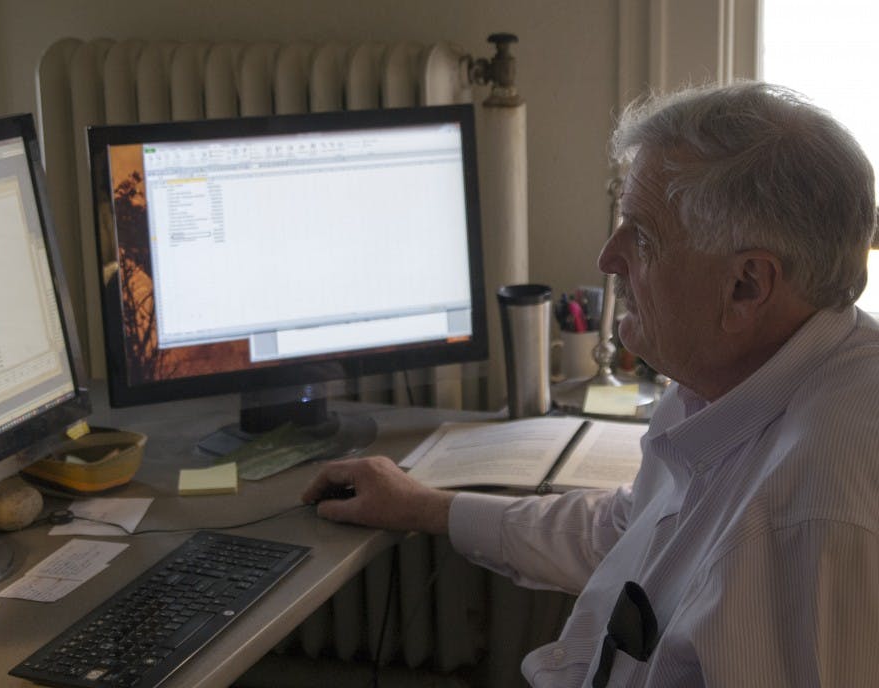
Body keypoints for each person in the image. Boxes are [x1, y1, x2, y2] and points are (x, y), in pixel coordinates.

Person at [303, 81, 879, 687]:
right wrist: (427, 507)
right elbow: (625, 531)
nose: (608, 257)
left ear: (747, 285)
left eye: (643, 235)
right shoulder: (730, 375)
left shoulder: (812, 515)